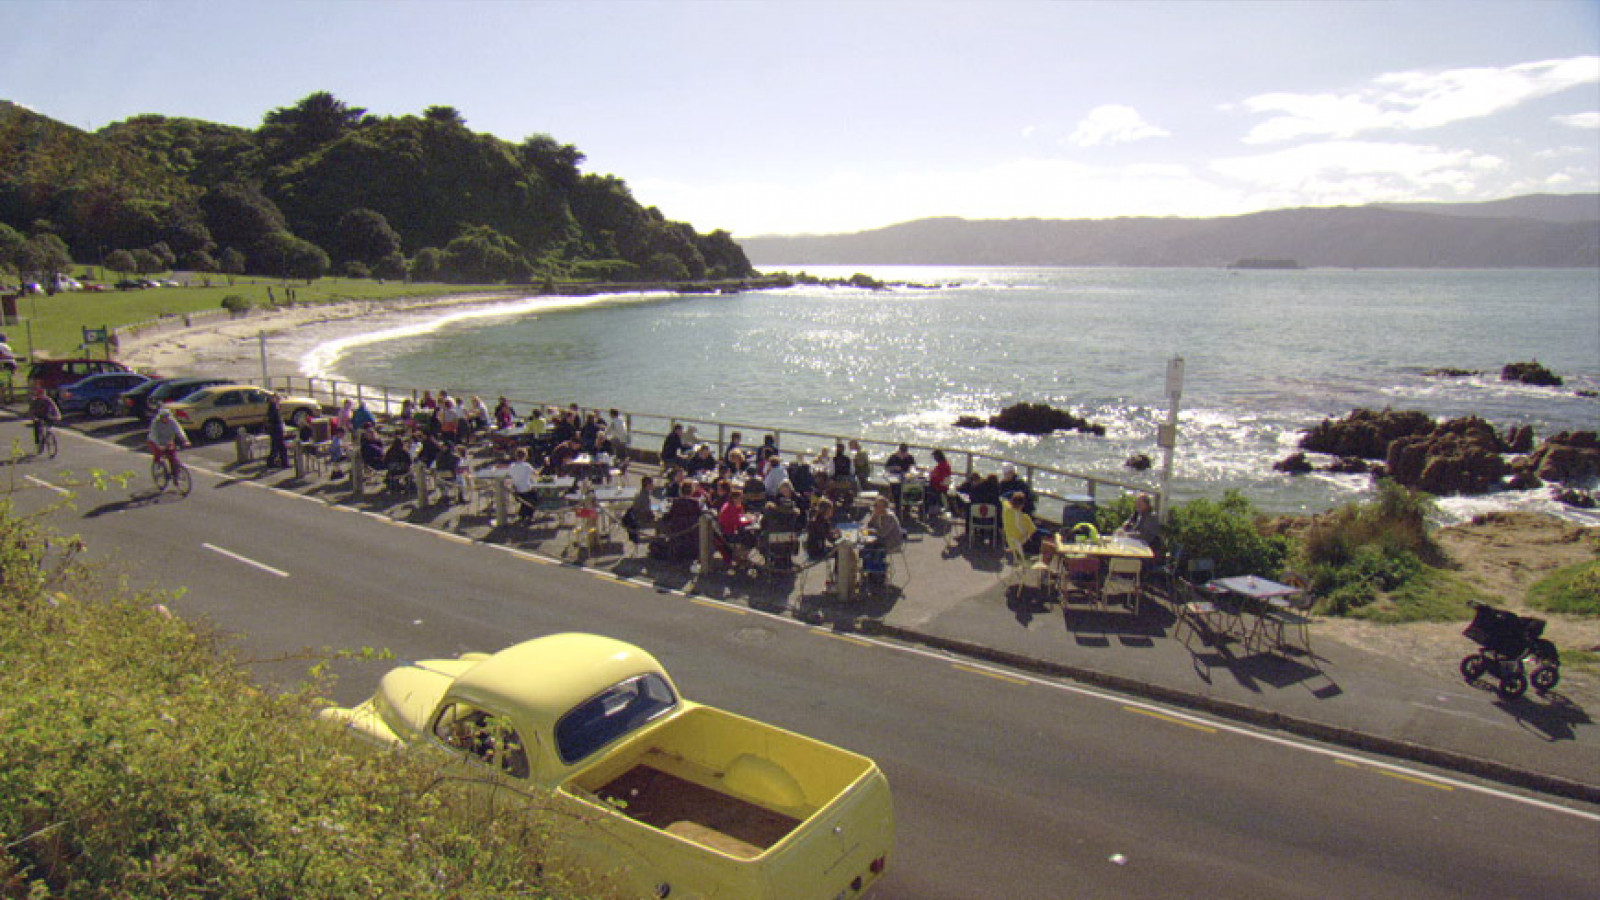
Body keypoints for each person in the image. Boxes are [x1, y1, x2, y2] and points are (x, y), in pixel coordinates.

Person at [1002, 491, 1052, 563]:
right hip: (1022, 544)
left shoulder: (1006, 509)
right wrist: (1049, 533)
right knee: (1047, 543)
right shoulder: (1024, 517)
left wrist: (1014, 494)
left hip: (1009, 540)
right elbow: (1034, 532)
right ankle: (1043, 567)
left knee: (1038, 525)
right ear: (1022, 505)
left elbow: (1003, 497)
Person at [1117, 494, 1164, 560]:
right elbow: (1128, 522)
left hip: (1148, 550)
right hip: (1136, 545)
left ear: (1146, 505)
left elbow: (1144, 536)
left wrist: (1127, 535)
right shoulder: (1138, 514)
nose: (1137, 505)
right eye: (1137, 503)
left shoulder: (1151, 517)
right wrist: (1124, 527)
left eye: (1140, 503)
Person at [147, 405, 189, 479]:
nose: (167, 419)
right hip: (155, 441)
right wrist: (159, 445)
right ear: (161, 417)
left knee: (173, 457)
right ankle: (159, 466)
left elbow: (179, 430)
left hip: (168, 440)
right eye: (165, 417)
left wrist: (185, 440)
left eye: (168, 417)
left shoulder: (172, 421)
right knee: (158, 454)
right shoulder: (155, 423)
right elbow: (154, 435)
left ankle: (176, 473)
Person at [504, 447, 539, 522]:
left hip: (517, 491)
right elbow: (536, 474)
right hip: (527, 489)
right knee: (535, 497)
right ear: (525, 456)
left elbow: (508, 475)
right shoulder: (526, 466)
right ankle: (528, 515)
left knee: (525, 501)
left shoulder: (512, 466)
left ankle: (523, 514)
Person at [622, 474, 657, 542]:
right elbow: (646, 512)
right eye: (652, 484)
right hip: (641, 519)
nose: (653, 486)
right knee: (662, 523)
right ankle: (659, 539)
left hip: (637, 516)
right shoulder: (644, 497)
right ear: (648, 485)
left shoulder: (640, 494)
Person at [29, 388, 61, 452]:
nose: (41, 395)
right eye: (39, 394)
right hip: (37, 416)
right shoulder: (34, 401)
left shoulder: (48, 400)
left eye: (42, 394)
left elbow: (54, 408)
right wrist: (34, 418)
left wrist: (57, 416)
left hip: (46, 415)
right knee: (37, 428)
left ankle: (49, 434)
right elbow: (31, 411)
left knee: (49, 424)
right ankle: (38, 443)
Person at [265, 393, 289, 469]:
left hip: (277, 429)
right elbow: (274, 419)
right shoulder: (273, 407)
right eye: (277, 399)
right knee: (279, 447)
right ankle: (282, 463)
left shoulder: (275, 407)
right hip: (276, 429)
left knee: (277, 447)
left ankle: (280, 462)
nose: (279, 400)